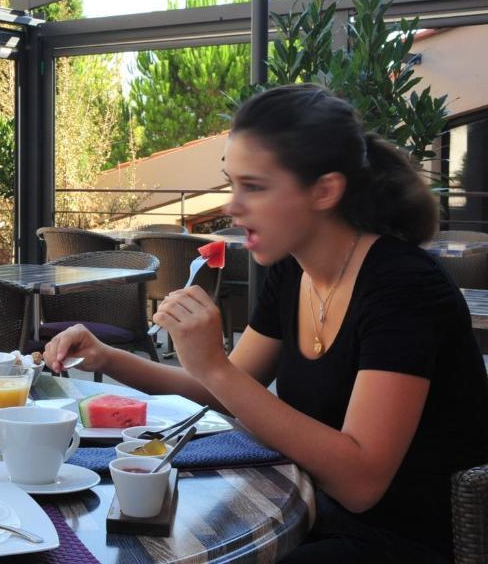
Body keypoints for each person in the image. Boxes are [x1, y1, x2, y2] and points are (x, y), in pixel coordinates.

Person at [44, 84, 488, 563]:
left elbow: (362, 483)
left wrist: (216, 367)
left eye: (253, 187)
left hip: (407, 539)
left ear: (325, 190)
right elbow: (224, 389)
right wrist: (109, 357)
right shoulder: (291, 270)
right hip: (310, 510)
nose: (232, 206)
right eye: (231, 183)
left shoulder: (402, 287)